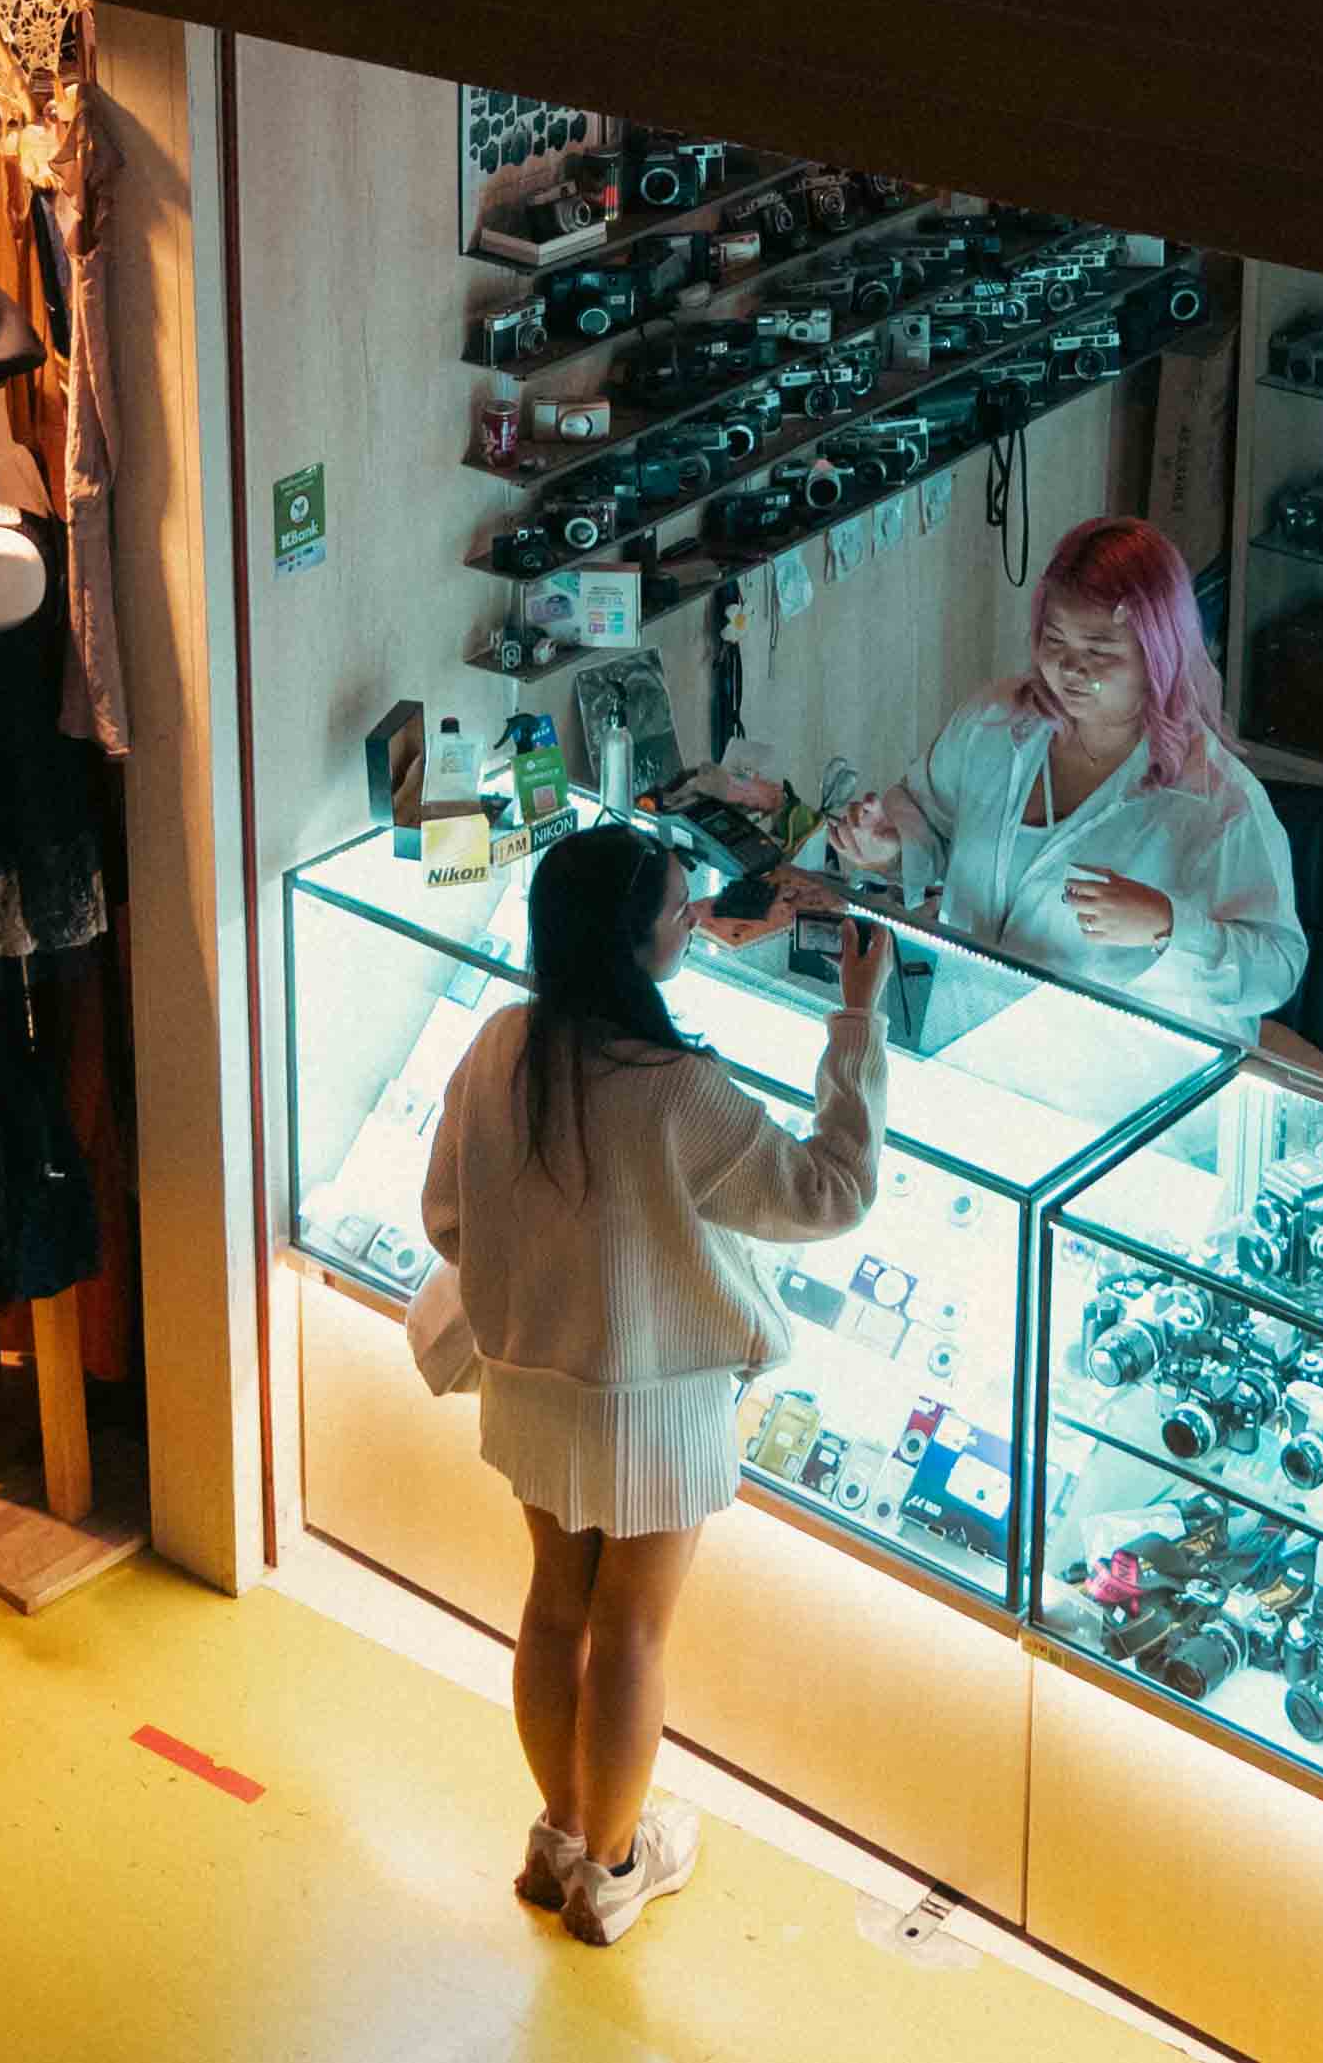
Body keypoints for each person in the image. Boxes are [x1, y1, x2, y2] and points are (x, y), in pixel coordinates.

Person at [420, 823, 889, 1946]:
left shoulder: (500, 1047)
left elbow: (445, 1214)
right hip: (661, 1405)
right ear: (635, 948)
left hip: (529, 1381)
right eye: (682, 913)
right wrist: (858, 1026)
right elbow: (831, 1194)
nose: (696, 921)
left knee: (554, 1608)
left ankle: (562, 1838)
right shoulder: (681, 1090)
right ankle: (620, 1869)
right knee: (630, 1635)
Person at [819, 515, 1306, 1040]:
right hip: (967, 1036)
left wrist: (1168, 925)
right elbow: (927, 813)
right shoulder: (996, 721)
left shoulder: (1216, 799)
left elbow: (1276, 967)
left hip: (1111, 1082)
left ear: (1158, 654)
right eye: (1055, 642)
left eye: (1100, 652)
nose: (1071, 669)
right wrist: (889, 847)